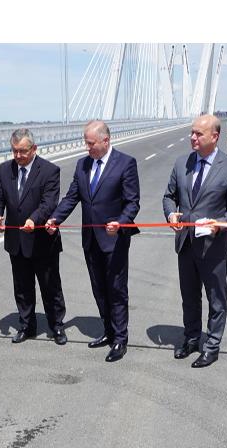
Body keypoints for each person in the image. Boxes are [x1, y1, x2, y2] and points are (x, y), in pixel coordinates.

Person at [47, 120, 139, 363]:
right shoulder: (82, 165)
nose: (86, 147)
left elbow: (132, 202)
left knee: (116, 290)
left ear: (105, 141)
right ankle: (108, 331)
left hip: (113, 239)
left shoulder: (126, 163)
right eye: (85, 142)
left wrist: (121, 221)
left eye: (90, 143)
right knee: (99, 289)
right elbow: (72, 197)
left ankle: (120, 338)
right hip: (90, 239)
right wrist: (54, 218)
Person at [162, 114, 227, 368]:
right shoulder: (181, 163)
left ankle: (212, 347)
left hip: (213, 246)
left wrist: (219, 224)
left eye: (199, 134)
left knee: (216, 298)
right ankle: (191, 339)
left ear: (214, 137)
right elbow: (169, 196)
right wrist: (170, 213)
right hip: (186, 243)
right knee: (189, 296)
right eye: (192, 133)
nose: (193, 137)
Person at [0, 128, 67, 345]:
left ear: (34, 149)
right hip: (16, 242)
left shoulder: (50, 171)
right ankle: (27, 325)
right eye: (14, 151)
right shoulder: (6, 170)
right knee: (22, 287)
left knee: (50, 286)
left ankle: (57, 326)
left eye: (22, 151)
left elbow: (49, 202)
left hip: (43, 241)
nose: (18, 156)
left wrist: (35, 219)